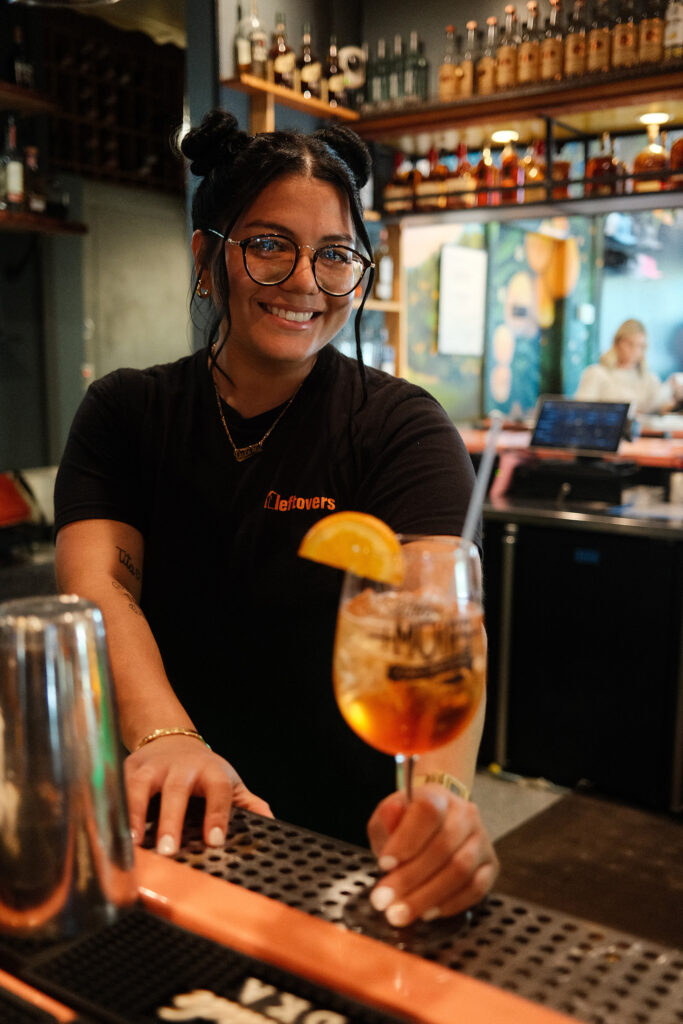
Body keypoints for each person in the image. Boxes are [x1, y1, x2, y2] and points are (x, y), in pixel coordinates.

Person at [53, 110, 498, 928]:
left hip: (348, 856)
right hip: (165, 826)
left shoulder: (401, 428)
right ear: (206, 256)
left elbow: (433, 634)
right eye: (268, 244)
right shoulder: (125, 412)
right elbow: (98, 595)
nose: (304, 280)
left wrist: (439, 802)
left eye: (335, 256)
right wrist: (167, 741)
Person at [574, 319, 675, 415]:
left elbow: (662, 408)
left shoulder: (649, 379)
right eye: (630, 344)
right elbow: (582, 410)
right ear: (617, 342)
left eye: (640, 346)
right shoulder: (597, 373)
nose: (635, 350)